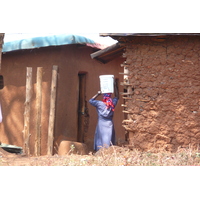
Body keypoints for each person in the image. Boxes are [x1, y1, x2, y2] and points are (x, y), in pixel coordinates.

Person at [89, 79, 119, 151]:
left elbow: (91, 100)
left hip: (101, 123)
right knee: (109, 136)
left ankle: (99, 150)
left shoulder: (99, 104)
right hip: (109, 123)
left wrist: (98, 94)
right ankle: (108, 150)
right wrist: (115, 86)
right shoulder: (112, 104)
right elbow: (117, 97)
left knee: (100, 136)